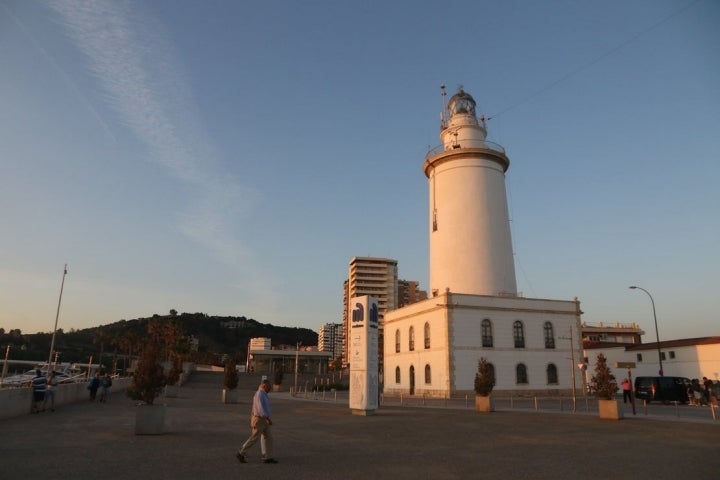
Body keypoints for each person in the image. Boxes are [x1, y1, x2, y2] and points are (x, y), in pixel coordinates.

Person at [236, 379, 277, 464]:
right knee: (254, 438)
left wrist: (267, 419)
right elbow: (260, 410)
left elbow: (264, 409)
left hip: (263, 419)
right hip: (259, 419)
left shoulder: (264, 394)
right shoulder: (259, 395)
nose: (270, 389)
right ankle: (241, 452)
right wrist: (267, 418)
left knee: (269, 437)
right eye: (269, 387)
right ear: (264, 386)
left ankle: (268, 457)